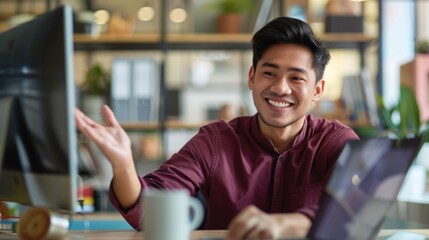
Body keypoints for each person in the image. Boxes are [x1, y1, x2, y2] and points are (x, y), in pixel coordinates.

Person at [75, 16, 359, 239]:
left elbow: (356, 208)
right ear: (252, 77)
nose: (280, 88)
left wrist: (284, 224)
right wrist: (123, 164)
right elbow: (148, 214)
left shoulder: (337, 142)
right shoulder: (216, 141)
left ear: (318, 89)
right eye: (269, 73)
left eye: (296, 78)